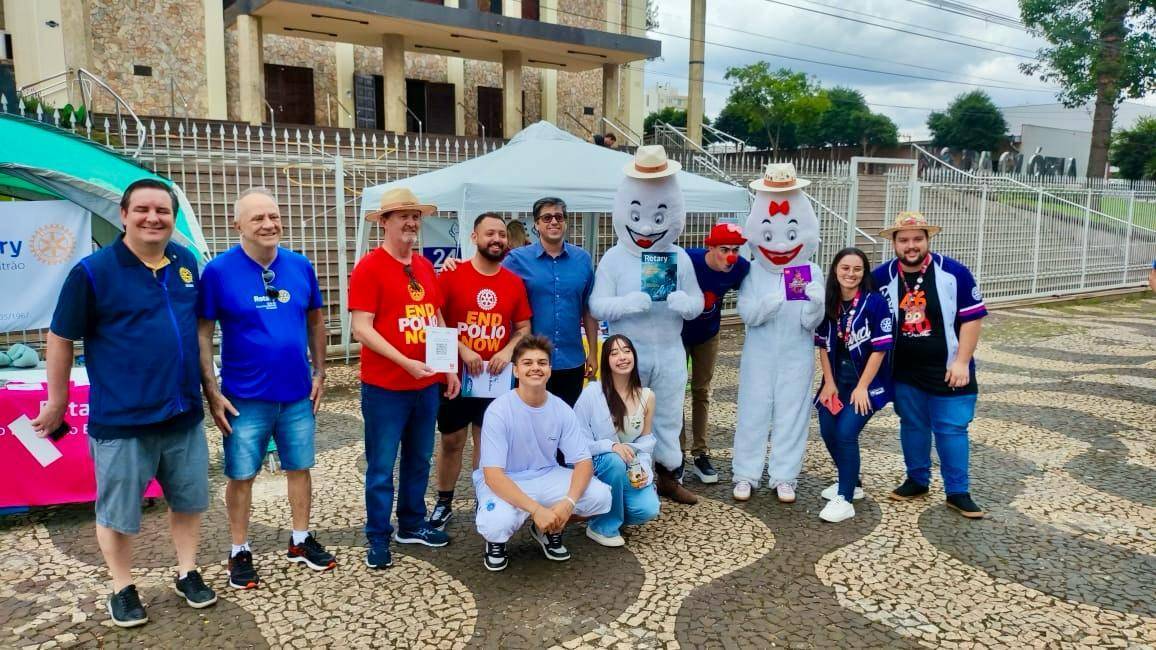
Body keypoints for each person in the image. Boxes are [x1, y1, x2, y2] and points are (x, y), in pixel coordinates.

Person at [32, 179, 216, 627]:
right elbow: (59, 337)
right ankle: (122, 586)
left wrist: (210, 388)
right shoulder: (93, 272)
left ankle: (187, 571)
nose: (153, 218)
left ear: (173, 217)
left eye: (163, 211)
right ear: (123, 214)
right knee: (117, 510)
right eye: (143, 209)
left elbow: (196, 332)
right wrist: (56, 400)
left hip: (182, 413)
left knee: (189, 501)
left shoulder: (185, 262)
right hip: (123, 419)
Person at [196, 187, 336, 591]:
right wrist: (211, 388)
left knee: (300, 467)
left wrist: (321, 373)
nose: (269, 224)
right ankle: (239, 549)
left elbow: (315, 321)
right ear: (237, 224)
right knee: (241, 475)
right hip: (244, 397)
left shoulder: (299, 265)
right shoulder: (219, 272)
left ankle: (300, 539)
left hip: (296, 394)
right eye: (258, 218)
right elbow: (203, 333)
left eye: (273, 216)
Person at [350, 187, 462, 569]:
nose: (412, 222)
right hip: (385, 386)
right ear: (385, 222)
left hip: (424, 383)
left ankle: (411, 523)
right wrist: (404, 362)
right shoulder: (369, 266)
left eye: (415, 216)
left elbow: (436, 319)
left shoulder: (425, 266)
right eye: (403, 216)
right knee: (381, 465)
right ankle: (378, 535)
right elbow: (361, 328)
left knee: (419, 458)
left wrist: (447, 367)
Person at [590, 145, 705, 506]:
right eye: (636, 214)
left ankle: (670, 475)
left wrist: (686, 305)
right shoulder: (613, 257)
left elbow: (698, 301)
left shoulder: (679, 256)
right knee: (626, 416)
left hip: (670, 351)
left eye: (658, 217)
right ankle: (630, 479)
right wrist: (625, 304)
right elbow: (596, 304)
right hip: (628, 353)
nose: (644, 226)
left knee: (669, 415)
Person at [872, 211, 987, 519]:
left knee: (952, 428)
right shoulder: (882, 277)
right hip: (905, 371)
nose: (911, 246)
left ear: (928, 240)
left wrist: (962, 362)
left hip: (949, 368)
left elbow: (972, 319)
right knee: (912, 425)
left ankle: (958, 491)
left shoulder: (954, 272)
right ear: (894, 243)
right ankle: (917, 479)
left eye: (918, 239)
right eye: (904, 240)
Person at [474, 335, 612, 571]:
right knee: (496, 523)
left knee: (600, 496)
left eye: (542, 363)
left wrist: (567, 504)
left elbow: (583, 462)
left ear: (549, 370)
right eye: (527, 363)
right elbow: (493, 475)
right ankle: (495, 542)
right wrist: (537, 509)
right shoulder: (499, 410)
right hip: (507, 479)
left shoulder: (560, 408)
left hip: (547, 474)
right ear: (515, 371)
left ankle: (546, 528)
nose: (535, 368)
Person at [430, 213, 532, 530]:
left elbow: (523, 327)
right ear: (474, 237)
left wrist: (505, 351)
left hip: (496, 380)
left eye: (502, 235)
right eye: (490, 233)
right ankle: (443, 502)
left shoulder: (513, 283)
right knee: (451, 440)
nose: (497, 240)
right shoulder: (451, 274)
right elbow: (435, 318)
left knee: (486, 443)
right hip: (456, 377)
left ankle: (483, 498)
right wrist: (461, 349)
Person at [732, 163, 825, 503]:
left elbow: (811, 323)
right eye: (769, 236)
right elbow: (747, 314)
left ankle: (785, 475)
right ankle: (745, 473)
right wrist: (770, 303)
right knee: (753, 411)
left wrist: (815, 304)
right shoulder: (753, 270)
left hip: (797, 353)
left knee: (792, 412)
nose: (781, 245)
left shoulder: (810, 269)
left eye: (789, 236)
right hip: (759, 353)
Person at [813, 247, 894, 523]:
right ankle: (853, 482)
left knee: (847, 433)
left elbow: (879, 350)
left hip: (867, 384)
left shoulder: (874, 303)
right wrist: (829, 383)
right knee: (827, 430)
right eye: (845, 268)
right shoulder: (829, 302)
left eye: (857, 269)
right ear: (835, 270)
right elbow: (823, 346)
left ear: (864, 272)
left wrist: (862, 387)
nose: (851, 274)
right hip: (836, 382)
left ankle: (845, 498)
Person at [503, 197, 599, 406]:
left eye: (559, 217)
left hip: (571, 361)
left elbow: (589, 309)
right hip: (530, 361)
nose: (554, 222)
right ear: (536, 224)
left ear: (565, 222)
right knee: (529, 424)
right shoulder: (515, 260)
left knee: (567, 423)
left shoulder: (582, 259)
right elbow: (489, 278)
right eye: (547, 218)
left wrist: (593, 352)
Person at [573, 334, 660, 546]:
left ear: (634, 356)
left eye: (626, 351)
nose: (622, 357)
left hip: (630, 465)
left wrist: (644, 469)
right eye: (614, 352)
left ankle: (605, 510)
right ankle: (603, 526)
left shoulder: (647, 396)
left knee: (648, 509)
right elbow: (576, 441)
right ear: (606, 361)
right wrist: (610, 446)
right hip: (598, 463)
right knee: (614, 460)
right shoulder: (592, 393)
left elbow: (646, 441)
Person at [680, 223, 750, 484]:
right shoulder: (688, 260)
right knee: (676, 391)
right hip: (678, 334)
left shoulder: (739, 267)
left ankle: (700, 453)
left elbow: (761, 284)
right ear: (711, 247)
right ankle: (677, 456)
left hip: (708, 333)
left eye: (735, 249)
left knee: (701, 391)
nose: (731, 255)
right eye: (724, 249)